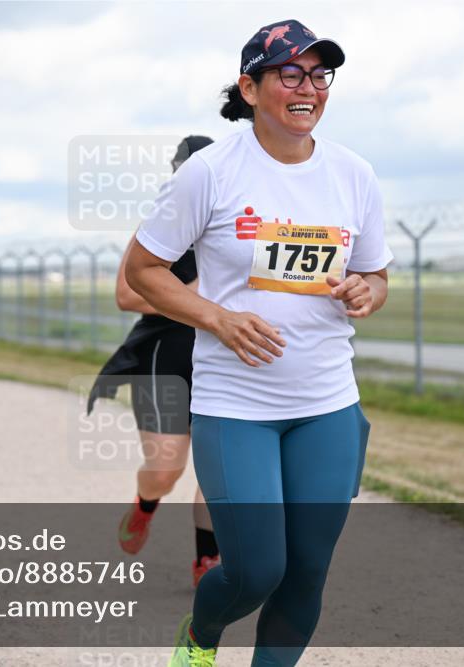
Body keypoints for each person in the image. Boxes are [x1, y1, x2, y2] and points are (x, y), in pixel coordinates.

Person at [125, 21, 392, 667]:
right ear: (250, 87)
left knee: (305, 572)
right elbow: (141, 272)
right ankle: (199, 636)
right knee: (255, 570)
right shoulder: (210, 173)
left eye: (319, 74)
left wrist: (365, 289)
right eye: (290, 73)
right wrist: (217, 317)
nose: (309, 87)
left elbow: (377, 274)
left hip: (326, 401)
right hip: (236, 403)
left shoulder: (354, 174)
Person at [88, 136, 221, 587]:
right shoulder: (159, 226)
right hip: (161, 357)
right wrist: (191, 298)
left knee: (220, 468)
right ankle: (146, 503)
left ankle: (208, 560)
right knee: (166, 469)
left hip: (222, 359)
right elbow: (127, 295)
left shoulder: (236, 226)